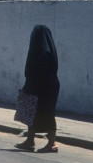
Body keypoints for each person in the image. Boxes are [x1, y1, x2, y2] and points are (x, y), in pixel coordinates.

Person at [15, 25, 60, 153]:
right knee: (38, 112)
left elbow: (35, 70)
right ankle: (30, 141)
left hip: (41, 84)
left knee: (42, 112)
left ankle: (51, 143)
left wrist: (29, 84)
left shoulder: (39, 51)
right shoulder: (50, 50)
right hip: (50, 84)